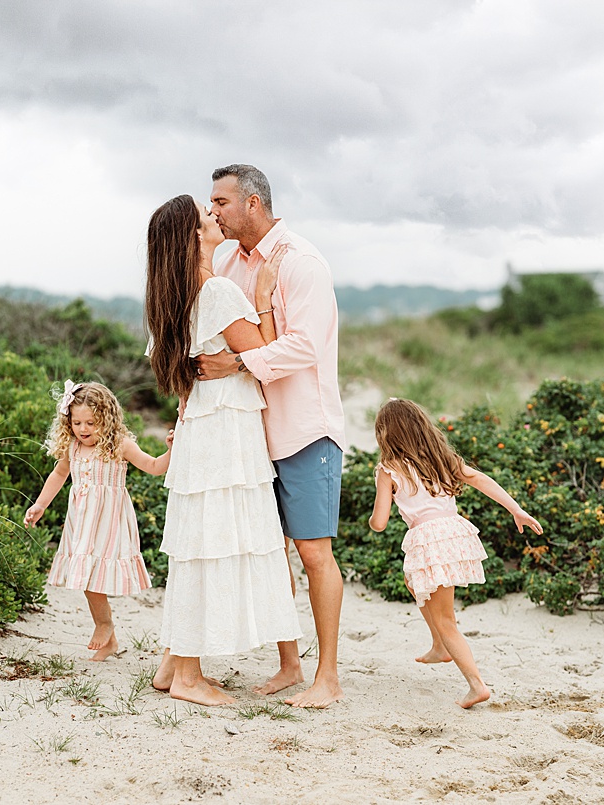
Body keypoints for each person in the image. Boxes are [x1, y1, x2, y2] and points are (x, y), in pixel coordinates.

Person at [197, 164, 346, 708]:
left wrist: (239, 362)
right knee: (270, 553)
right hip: (251, 434)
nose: (212, 211)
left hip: (306, 431)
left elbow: (305, 345)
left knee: (313, 554)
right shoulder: (229, 264)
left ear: (253, 203)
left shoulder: (301, 262)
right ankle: (290, 665)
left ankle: (327, 677)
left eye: (221, 202)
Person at [144, 194, 301, 707]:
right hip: (226, 434)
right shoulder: (216, 291)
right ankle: (188, 676)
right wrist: (260, 292)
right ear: (194, 236)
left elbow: (170, 371)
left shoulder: (169, 298)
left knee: (198, 543)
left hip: (200, 428)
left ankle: (174, 661)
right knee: (214, 543)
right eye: (205, 215)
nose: (214, 218)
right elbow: (264, 353)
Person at [368, 398, 543, 709]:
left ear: (386, 435)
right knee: (415, 585)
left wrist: (373, 516)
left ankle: (476, 684)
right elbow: (479, 479)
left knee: (446, 618)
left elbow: (379, 523)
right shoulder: (440, 457)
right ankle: (439, 645)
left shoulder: (388, 469)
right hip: (454, 531)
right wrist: (516, 510)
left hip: (428, 538)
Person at [24, 380, 173, 662]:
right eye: (77, 422)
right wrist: (41, 504)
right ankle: (110, 640)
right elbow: (58, 476)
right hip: (82, 522)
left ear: (107, 419)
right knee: (86, 576)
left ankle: (104, 626)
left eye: (91, 422)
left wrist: (170, 450)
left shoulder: (119, 445)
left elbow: (154, 467)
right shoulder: (73, 448)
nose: (83, 429)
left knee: (94, 576)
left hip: (109, 523)